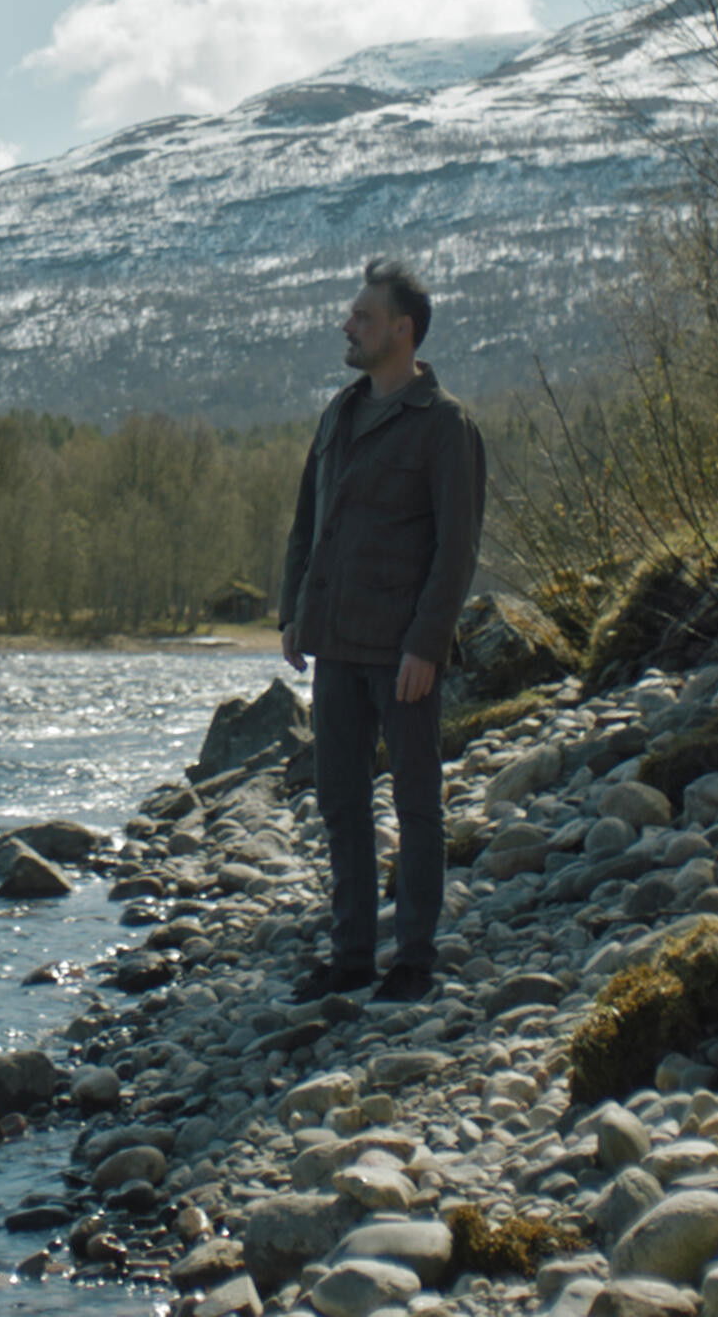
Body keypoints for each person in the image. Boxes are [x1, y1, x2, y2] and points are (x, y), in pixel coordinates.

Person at [275, 257, 487, 1004]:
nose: (348, 324)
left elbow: (456, 550)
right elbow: (309, 519)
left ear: (403, 330)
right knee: (340, 803)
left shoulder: (445, 426)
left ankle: (415, 959)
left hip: (401, 655)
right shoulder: (339, 412)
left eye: (362, 316)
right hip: (334, 643)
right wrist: (292, 610)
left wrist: (427, 644)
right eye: (351, 314)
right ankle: (354, 953)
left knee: (417, 805)